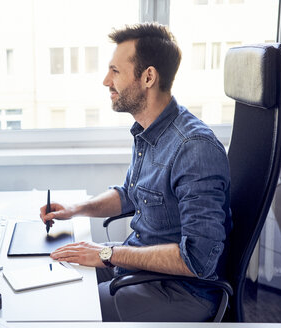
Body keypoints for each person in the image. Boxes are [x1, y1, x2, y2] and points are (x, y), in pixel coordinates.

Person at [40, 22, 231, 322]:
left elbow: (198, 258)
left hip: (180, 292)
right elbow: (130, 194)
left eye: (115, 71)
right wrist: (75, 210)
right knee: (56, 277)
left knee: (65, 309)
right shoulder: (148, 132)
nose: (106, 81)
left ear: (148, 77)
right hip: (142, 270)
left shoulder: (194, 148)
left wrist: (108, 254)